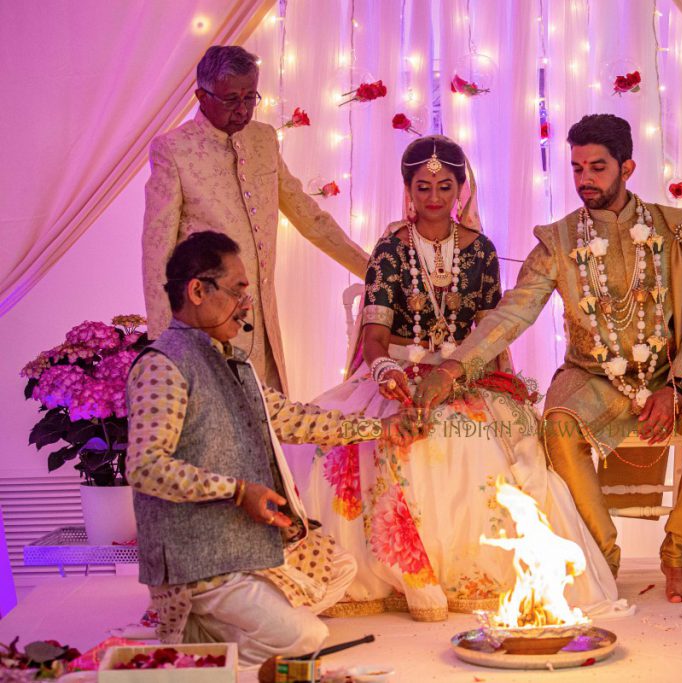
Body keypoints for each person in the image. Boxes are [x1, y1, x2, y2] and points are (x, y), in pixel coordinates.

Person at [415, 115, 682, 603]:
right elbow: (513, 313)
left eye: (597, 167)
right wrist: (454, 368)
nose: (585, 180)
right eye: (577, 168)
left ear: (627, 166)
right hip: (593, 375)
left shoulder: (678, 229)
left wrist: (676, 387)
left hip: (670, 372)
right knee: (557, 425)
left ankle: (678, 551)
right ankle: (601, 555)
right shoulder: (558, 240)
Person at [293, 135, 623, 622]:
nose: (433, 197)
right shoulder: (390, 249)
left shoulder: (481, 251)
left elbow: (491, 333)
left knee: (496, 444)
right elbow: (375, 335)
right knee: (379, 442)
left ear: (461, 189)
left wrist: (504, 383)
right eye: (422, 186)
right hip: (396, 376)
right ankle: (413, 576)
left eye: (444, 186)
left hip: (464, 375)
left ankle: (479, 577)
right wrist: (384, 369)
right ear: (407, 189)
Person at [126, 231, 417, 666]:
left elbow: (293, 419)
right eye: (238, 290)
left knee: (340, 569)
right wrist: (238, 491)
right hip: (200, 559)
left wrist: (378, 427)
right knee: (307, 636)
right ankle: (203, 659)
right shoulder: (162, 365)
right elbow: (145, 467)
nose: (247, 304)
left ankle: (217, 629)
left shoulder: (232, 360)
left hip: (242, 545)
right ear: (198, 290)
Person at [142, 45, 369, 393]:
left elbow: (310, 217)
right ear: (201, 96)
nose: (243, 109)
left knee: (269, 427)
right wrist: (164, 347)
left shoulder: (263, 139)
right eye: (231, 99)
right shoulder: (174, 150)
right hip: (206, 323)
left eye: (251, 97)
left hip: (262, 319)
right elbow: (157, 252)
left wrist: (375, 270)